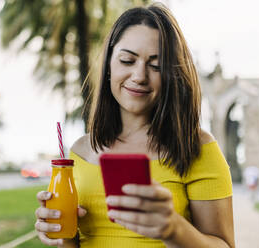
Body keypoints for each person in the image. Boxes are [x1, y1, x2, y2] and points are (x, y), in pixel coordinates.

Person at [35, 3, 235, 248]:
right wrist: (60, 233)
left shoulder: (196, 148)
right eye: (127, 60)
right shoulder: (80, 152)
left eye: (156, 65)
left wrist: (173, 228)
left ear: (171, 74)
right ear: (109, 64)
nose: (140, 76)